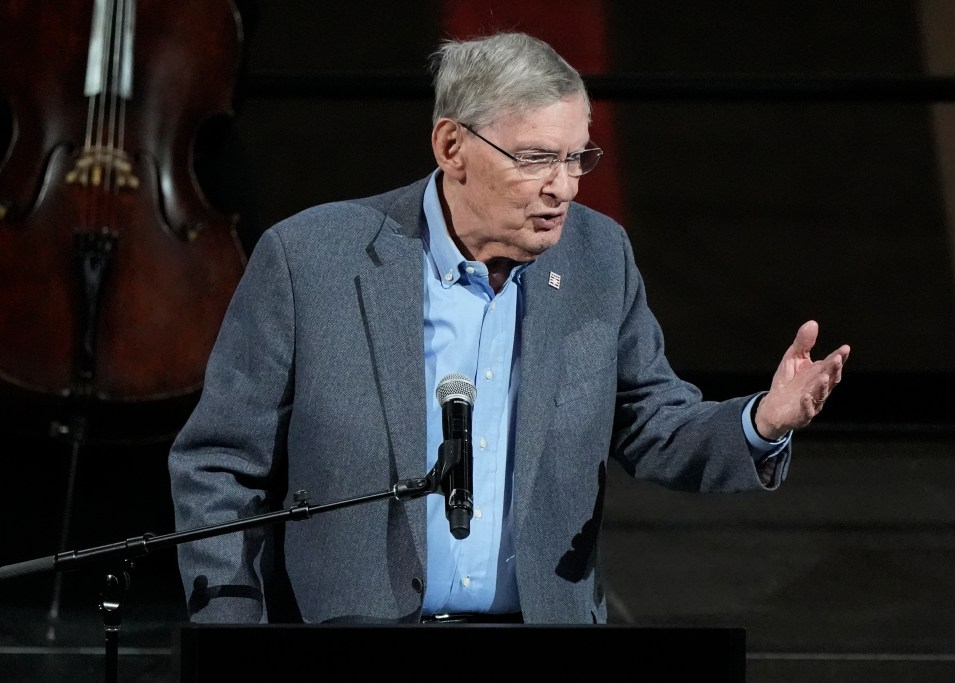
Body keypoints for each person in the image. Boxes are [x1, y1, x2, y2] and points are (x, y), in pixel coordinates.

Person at [168, 31, 850, 625]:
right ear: (452, 145)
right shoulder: (310, 260)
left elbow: (653, 421)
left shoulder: (597, 257)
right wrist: (233, 636)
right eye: (535, 158)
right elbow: (218, 463)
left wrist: (762, 419)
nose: (564, 187)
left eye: (577, 157)